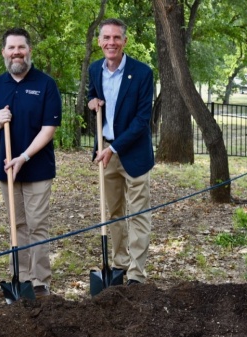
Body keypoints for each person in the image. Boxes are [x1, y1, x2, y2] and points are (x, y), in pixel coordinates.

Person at [0, 28, 62, 297]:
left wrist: (24, 157)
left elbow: (48, 129)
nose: (17, 52)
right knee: (18, 225)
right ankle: (22, 279)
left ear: (29, 51)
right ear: (4, 52)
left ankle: (40, 282)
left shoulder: (46, 84)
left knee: (37, 224)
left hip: (37, 169)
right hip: (7, 169)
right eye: (11, 48)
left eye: (21, 47)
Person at [87, 18, 154, 286]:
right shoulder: (95, 70)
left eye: (116, 38)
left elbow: (142, 120)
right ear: (100, 41)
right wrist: (92, 101)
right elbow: (94, 96)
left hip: (133, 153)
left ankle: (137, 274)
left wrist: (114, 148)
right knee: (113, 213)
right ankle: (118, 265)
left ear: (125, 41)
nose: (111, 42)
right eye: (106, 38)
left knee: (138, 214)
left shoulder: (142, 73)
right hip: (106, 151)